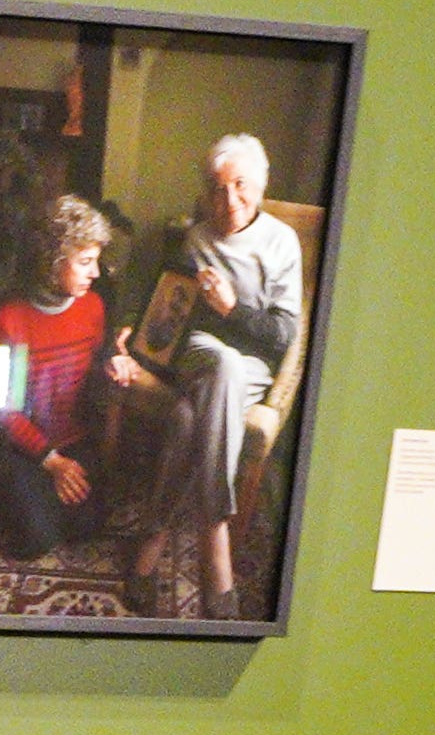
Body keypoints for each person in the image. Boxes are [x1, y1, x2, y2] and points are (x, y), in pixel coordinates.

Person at [106, 131, 303, 615]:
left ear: (259, 186)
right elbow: (163, 301)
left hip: (254, 365)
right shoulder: (195, 239)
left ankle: (150, 546)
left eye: (239, 185)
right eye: (217, 188)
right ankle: (216, 535)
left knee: (191, 418)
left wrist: (233, 309)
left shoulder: (282, 242)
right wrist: (132, 331)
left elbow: (282, 337)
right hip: (201, 354)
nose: (228, 199)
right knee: (219, 362)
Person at [0, 191, 118, 561]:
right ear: (53, 263)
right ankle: (8, 486)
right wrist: (51, 462)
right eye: (85, 262)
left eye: (96, 261)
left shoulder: (94, 306)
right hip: (25, 447)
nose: (95, 273)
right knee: (34, 540)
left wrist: (116, 363)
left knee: (90, 526)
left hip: (75, 439)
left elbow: (95, 374)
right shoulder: (5, 318)